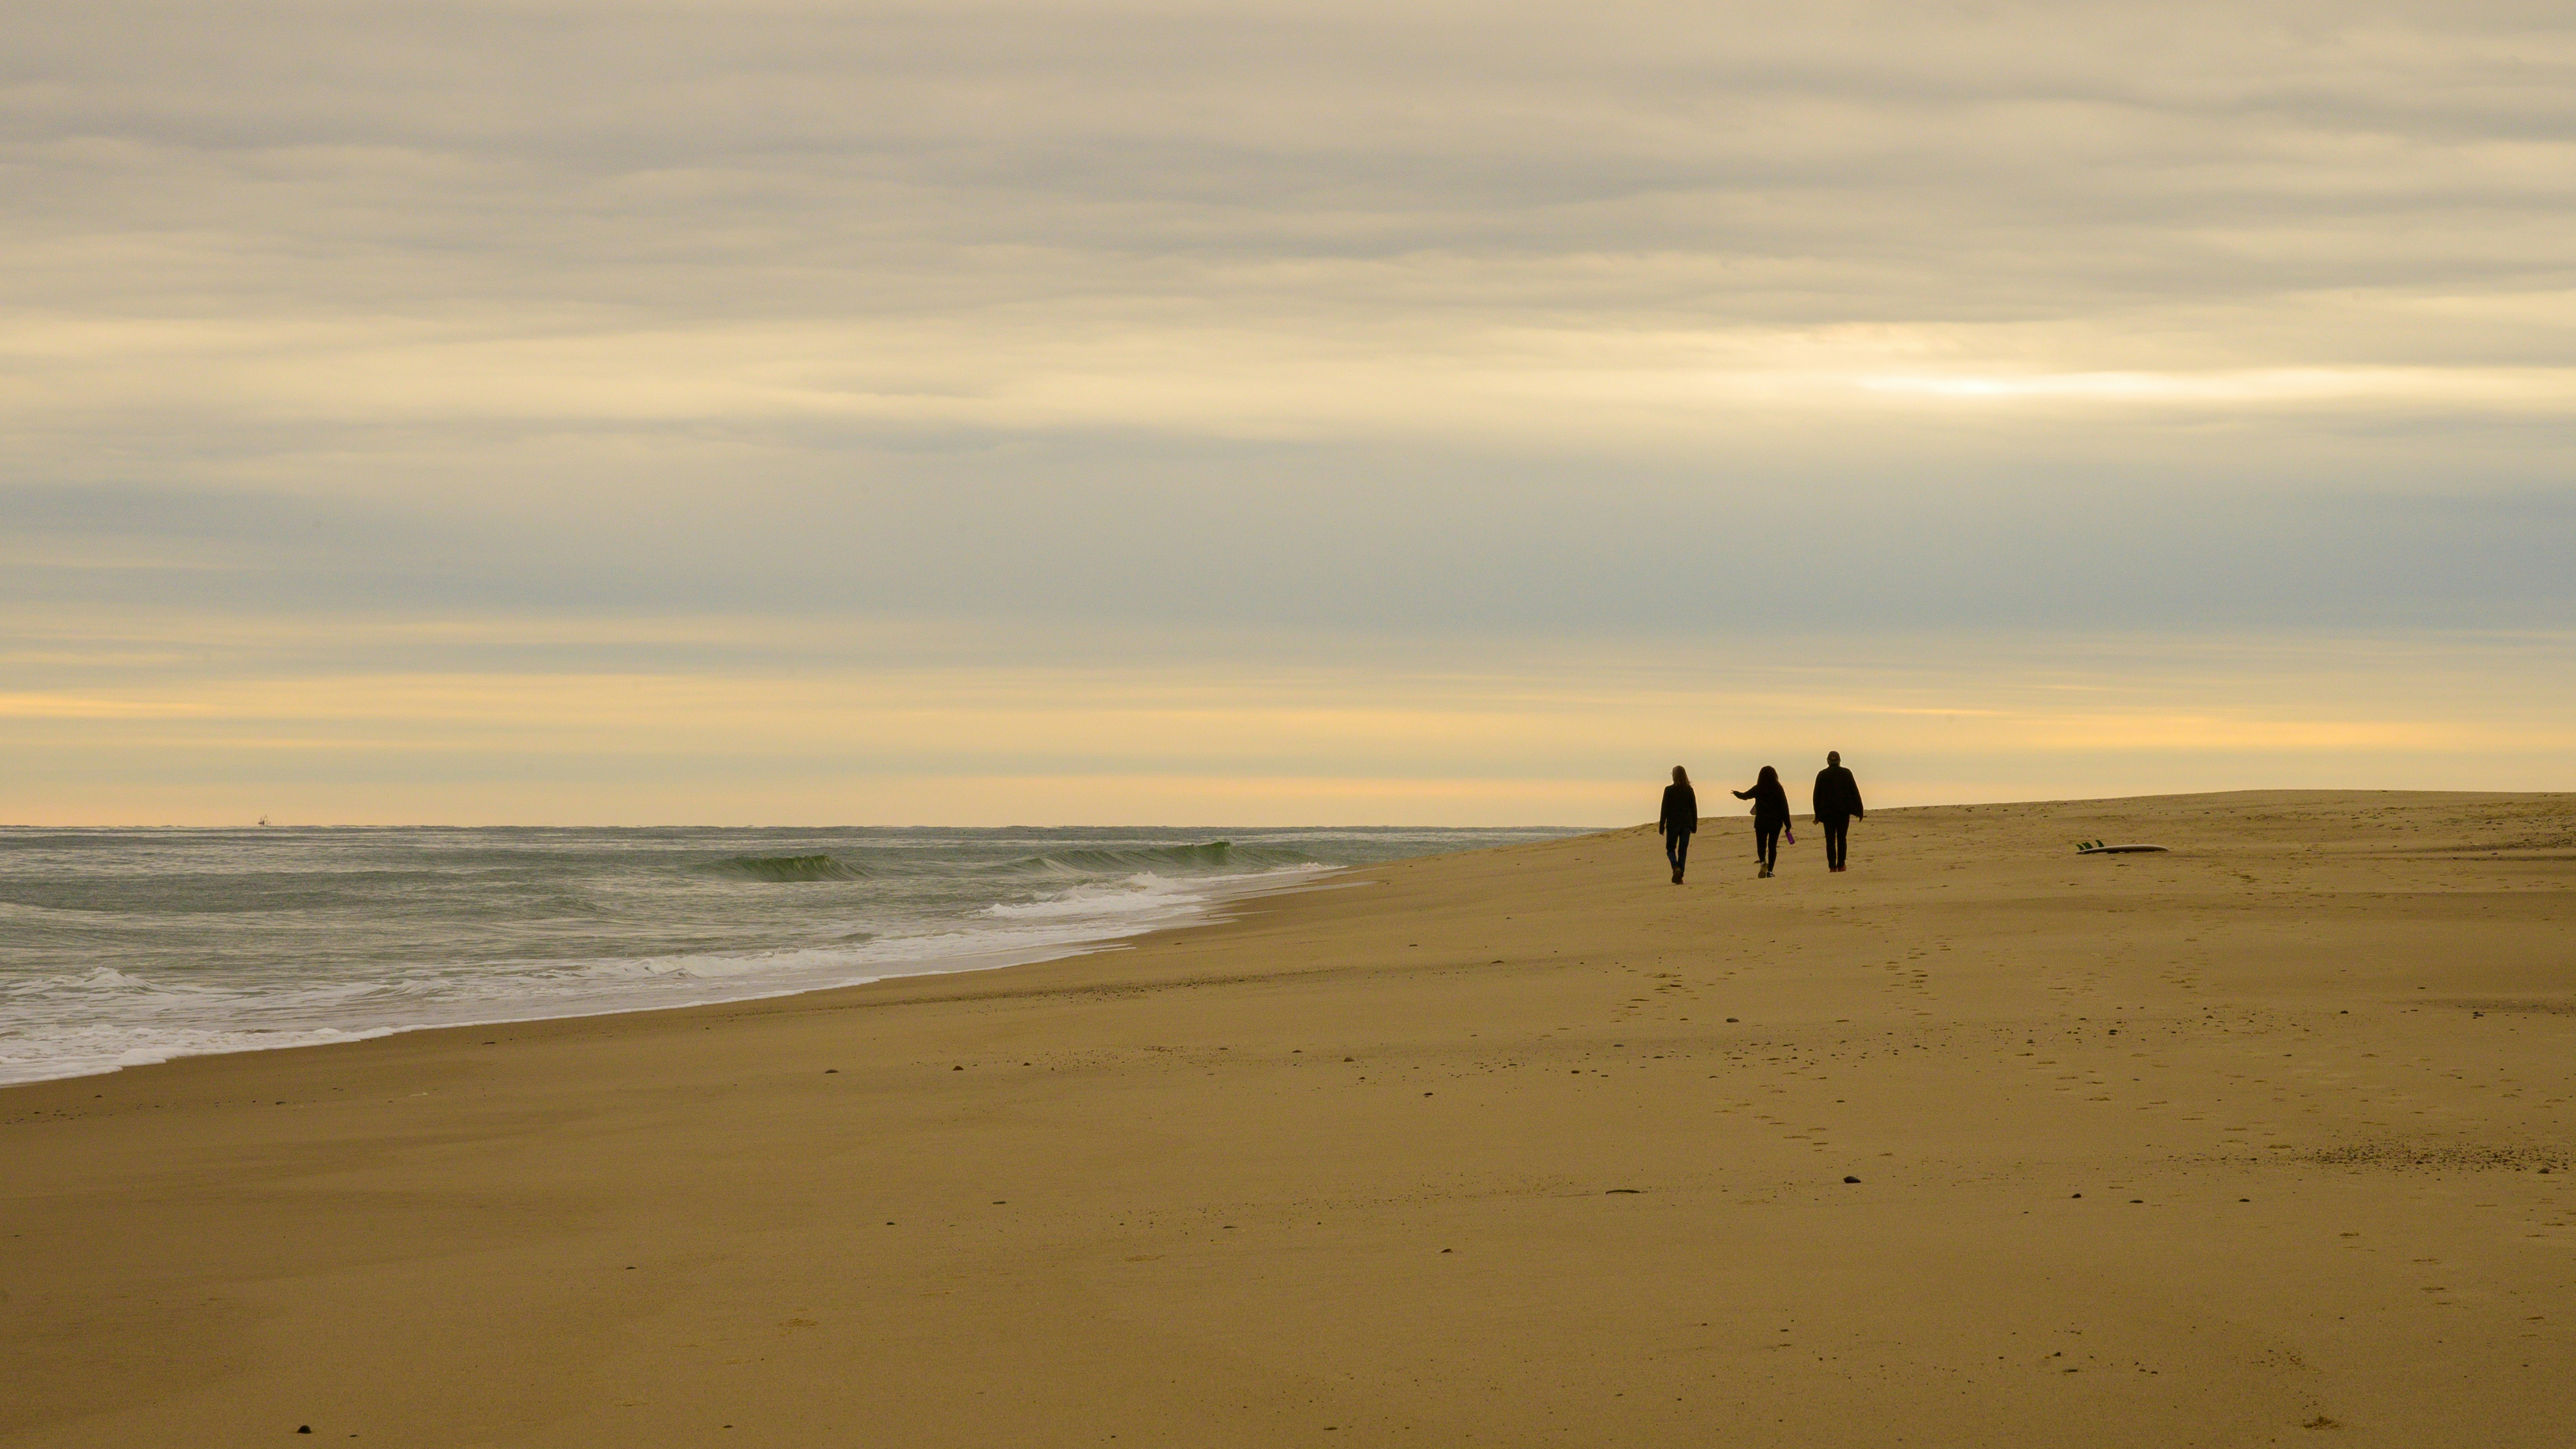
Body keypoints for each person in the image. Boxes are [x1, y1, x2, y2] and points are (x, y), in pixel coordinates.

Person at [1732, 765, 1791, 878]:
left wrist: (1736, 793)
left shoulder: (1759, 788)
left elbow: (1745, 796)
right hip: (1776, 823)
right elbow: (1784, 806)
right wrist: (1788, 824)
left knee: (1761, 846)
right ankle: (1770, 872)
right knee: (1772, 847)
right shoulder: (1778, 788)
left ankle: (1763, 862)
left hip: (1761, 822)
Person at [1812, 750, 1865, 872]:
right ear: (1839, 761)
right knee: (1842, 838)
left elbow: (1816, 796)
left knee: (1830, 841)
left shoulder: (1822, 775)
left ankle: (1832, 867)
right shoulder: (1846, 773)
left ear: (1828, 761)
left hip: (1828, 815)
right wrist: (1860, 811)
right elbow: (1855, 792)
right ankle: (1841, 865)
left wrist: (1818, 815)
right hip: (1843, 813)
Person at [1658, 766, 1697, 884]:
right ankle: (1680, 876)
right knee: (1683, 851)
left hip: (1673, 825)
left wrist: (1662, 825)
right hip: (1687, 824)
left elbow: (1664, 809)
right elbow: (1694, 809)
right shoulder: (1689, 790)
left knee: (1670, 849)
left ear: (1675, 776)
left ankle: (1676, 868)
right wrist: (1695, 825)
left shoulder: (1669, 790)